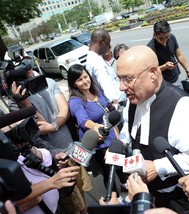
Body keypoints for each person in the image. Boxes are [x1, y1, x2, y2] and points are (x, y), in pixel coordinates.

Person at [117, 45, 189, 214]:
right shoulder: (132, 102)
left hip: (177, 198)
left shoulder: (182, 106)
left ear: (153, 73)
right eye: (119, 78)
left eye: (128, 79)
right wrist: (121, 141)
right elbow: (130, 127)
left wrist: (158, 167)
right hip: (146, 193)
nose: (121, 87)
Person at [67, 64, 120, 193]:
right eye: (79, 79)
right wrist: (95, 126)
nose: (85, 81)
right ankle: (114, 200)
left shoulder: (95, 90)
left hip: (113, 138)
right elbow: (82, 120)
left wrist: (116, 131)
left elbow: (107, 109)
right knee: (109, 174)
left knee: (121, 168)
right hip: (99, 145)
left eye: (86, 77)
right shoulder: (75, 101)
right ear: (73, 84)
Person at [8, 61, 73, 149]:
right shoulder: (14, 101)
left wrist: (54, 126)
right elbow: (40, 127)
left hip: (71, 142)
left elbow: (65, 109)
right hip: (52, 153)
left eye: (27, 64)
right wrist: (25, 103)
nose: (27, 68)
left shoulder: (48, 82)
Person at [86, 28, 127, 109]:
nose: (109, 46)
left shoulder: (93, 58)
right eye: (108, 43)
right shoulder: (96, 61)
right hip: (118, 104)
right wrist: (113, 100)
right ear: (101, 42)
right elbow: (104, 81)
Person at [147, 20, 189, 89]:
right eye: (161, 38)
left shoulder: (172, 37)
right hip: (162, 83)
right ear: (154, 35)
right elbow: (150, 71)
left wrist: (188, 70)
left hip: (175, 78)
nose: (164, 40)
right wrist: (165, 66)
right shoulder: (150, 48)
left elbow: (179, 54)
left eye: (166, 37)